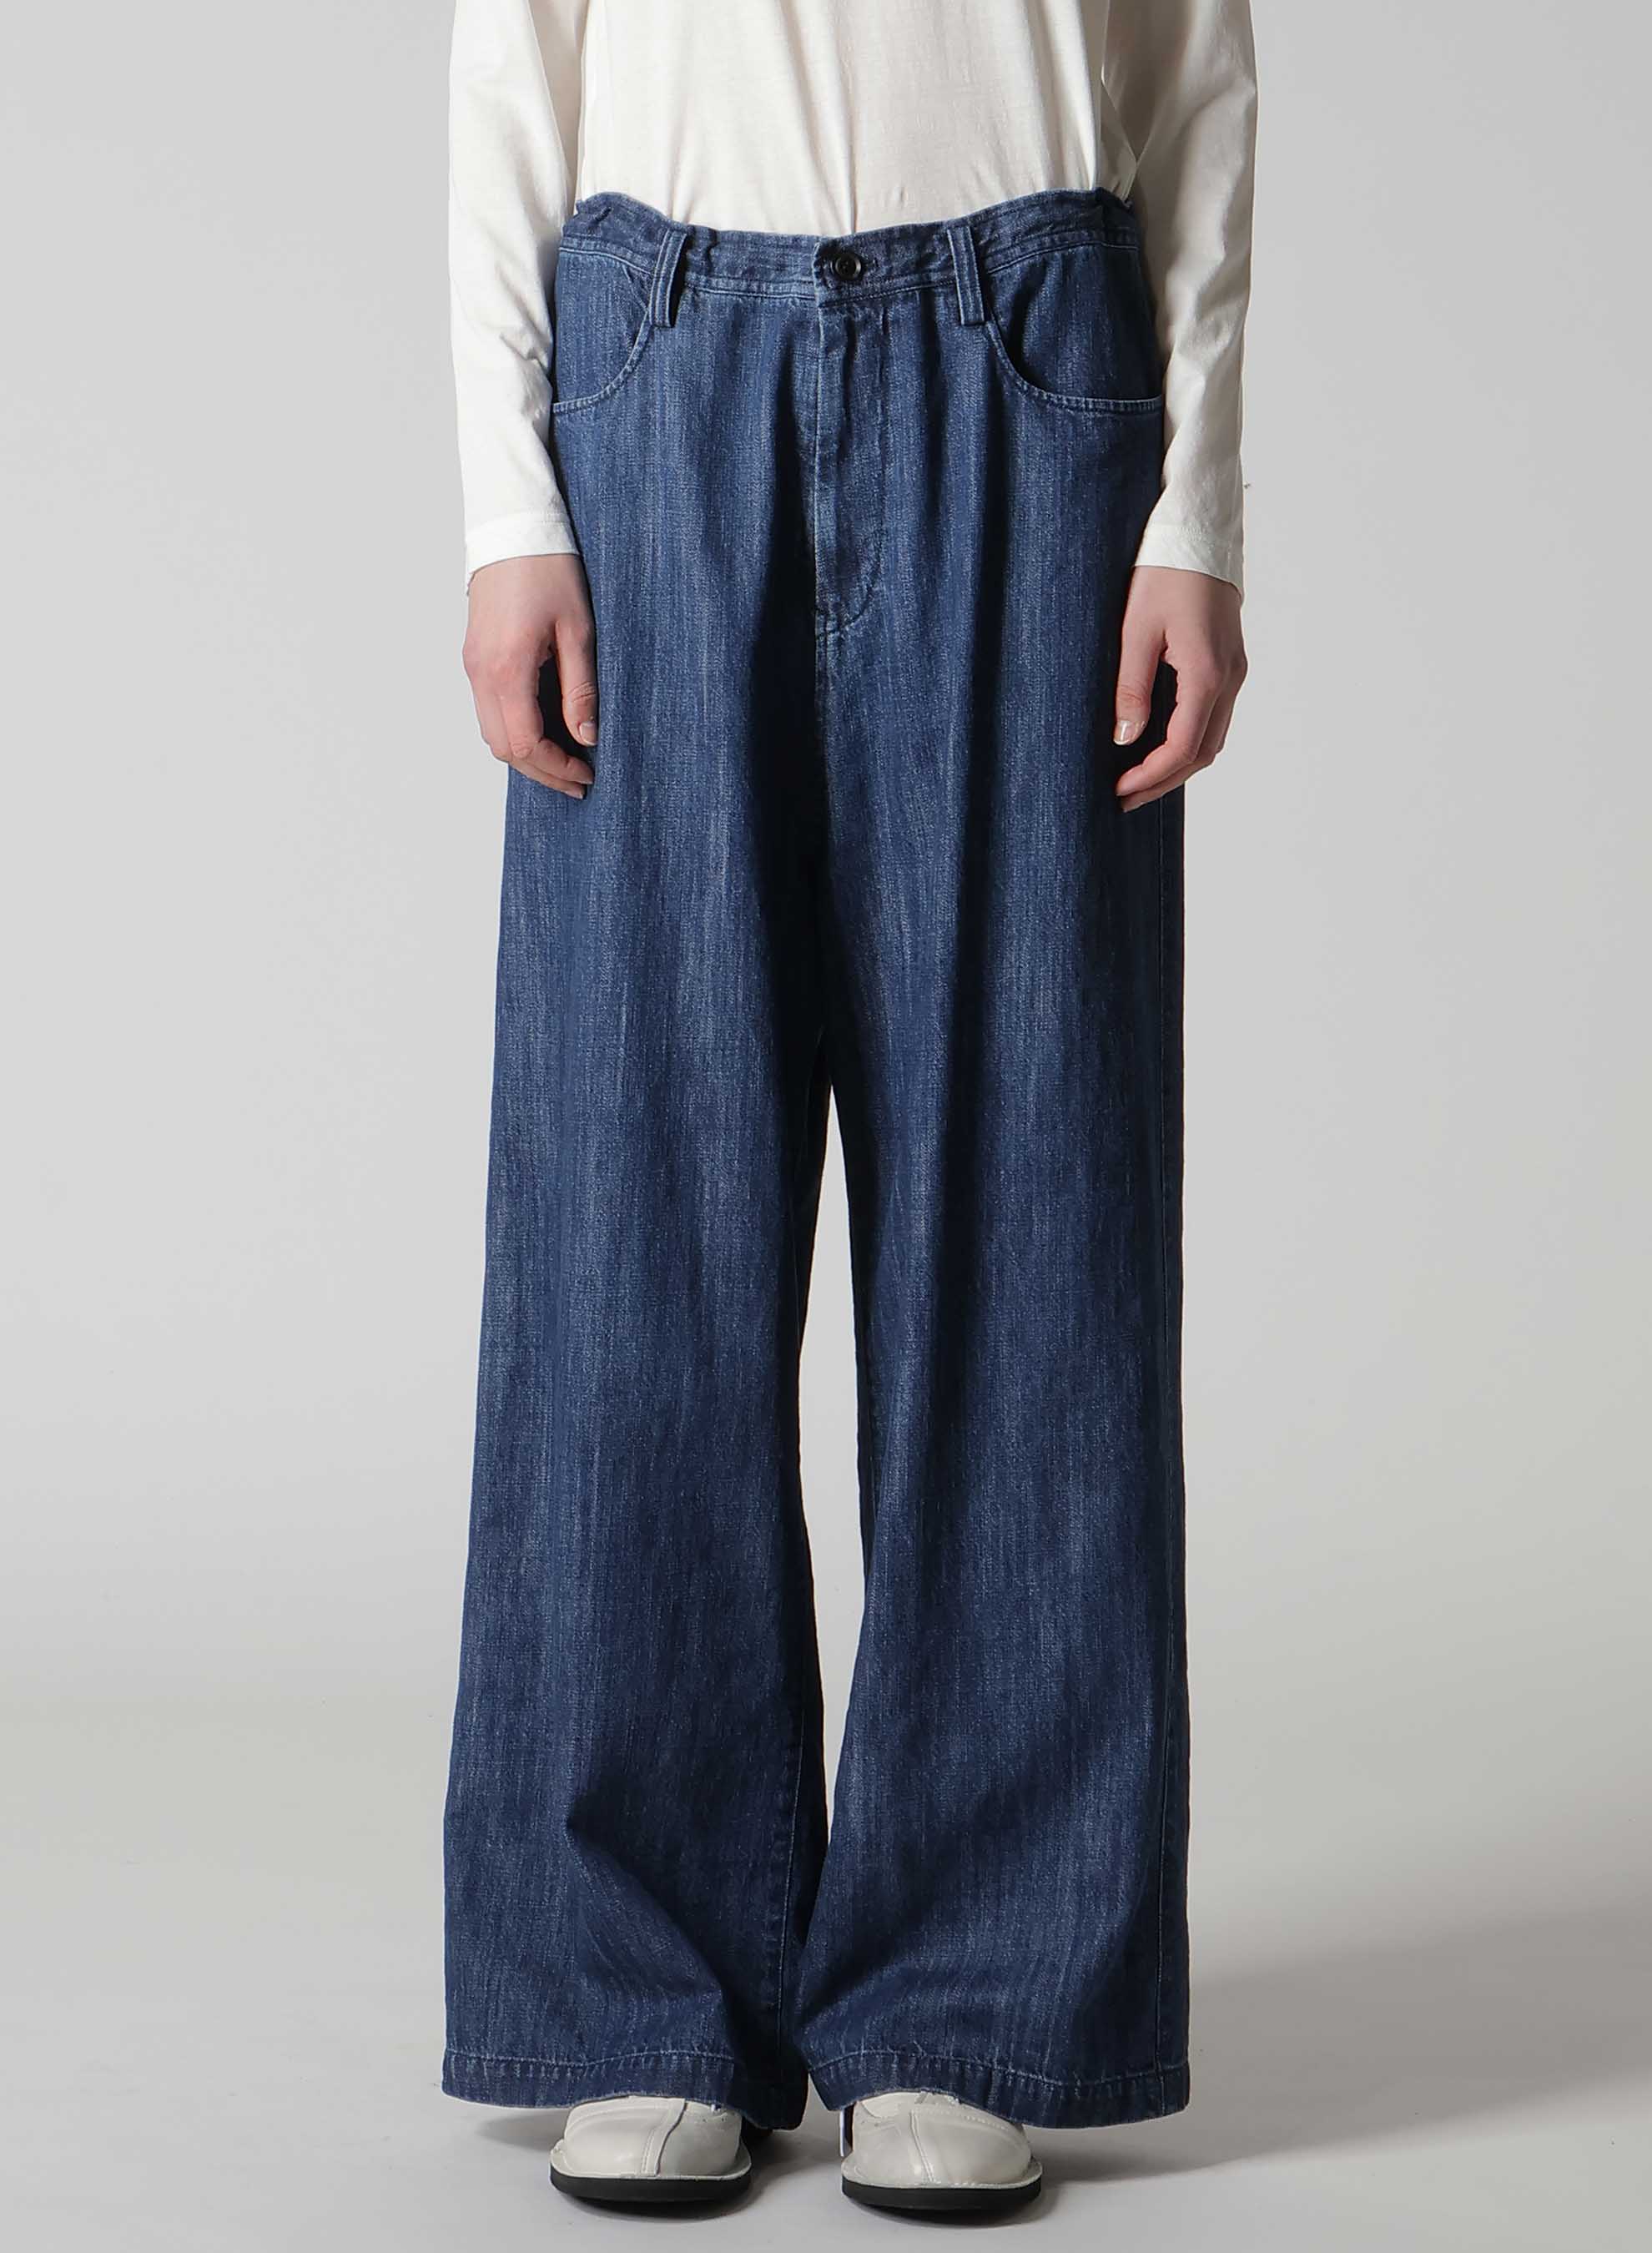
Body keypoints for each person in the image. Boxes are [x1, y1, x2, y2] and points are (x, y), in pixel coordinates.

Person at [441, 0, 1255, 2218]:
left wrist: (1196, 502)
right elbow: (513, 59)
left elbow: (1191, 72)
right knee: (634, 1211)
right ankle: (637, 1986)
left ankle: (975, 1991)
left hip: (1033, 360)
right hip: (657, 356)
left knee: (1031, 1192)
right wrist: (510, 500)